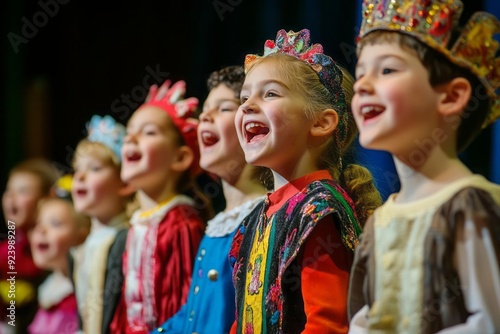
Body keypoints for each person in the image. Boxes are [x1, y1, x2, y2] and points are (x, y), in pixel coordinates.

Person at [348, 1, 500, 333]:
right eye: (360, 74)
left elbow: (490, 320)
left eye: (387, 70)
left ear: (451, 96)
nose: (361, 85)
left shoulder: (469, 206)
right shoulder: (381, 221)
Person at [229, 29, 382, 333]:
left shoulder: (319, 209)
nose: (247, 105)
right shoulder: (253, 220)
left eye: (270, 93)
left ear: (321, 122)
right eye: (244, 97)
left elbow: (327, 323)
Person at [152, 66, 269, 334]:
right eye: (205, 108)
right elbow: (191, 316)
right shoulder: (217, 225)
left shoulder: (263, 218)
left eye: (224, 108)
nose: (204, 115)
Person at [110, 80, 208, 334]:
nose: (131, 137)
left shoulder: (181, 223)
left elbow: (186, 306)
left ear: (180, 158)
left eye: (149, 132)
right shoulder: (134, 226)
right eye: (130, 131)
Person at [71, 114, 133, 334]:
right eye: (77, 169)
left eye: (95, 169)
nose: (79, 177)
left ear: (124, 183)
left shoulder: (126, 239)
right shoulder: (82, 247)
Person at [1, 158, 58, 334]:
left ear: (48, 197)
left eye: (22, 191)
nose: (11, 197)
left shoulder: (59, 248)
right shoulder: (5, 253)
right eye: (8, 190)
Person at [28, 193, 90, 334]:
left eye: (55, 224)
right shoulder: (47, 288)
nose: (41, 230)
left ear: (81, 237)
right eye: (38, 223)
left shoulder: (83, 292)